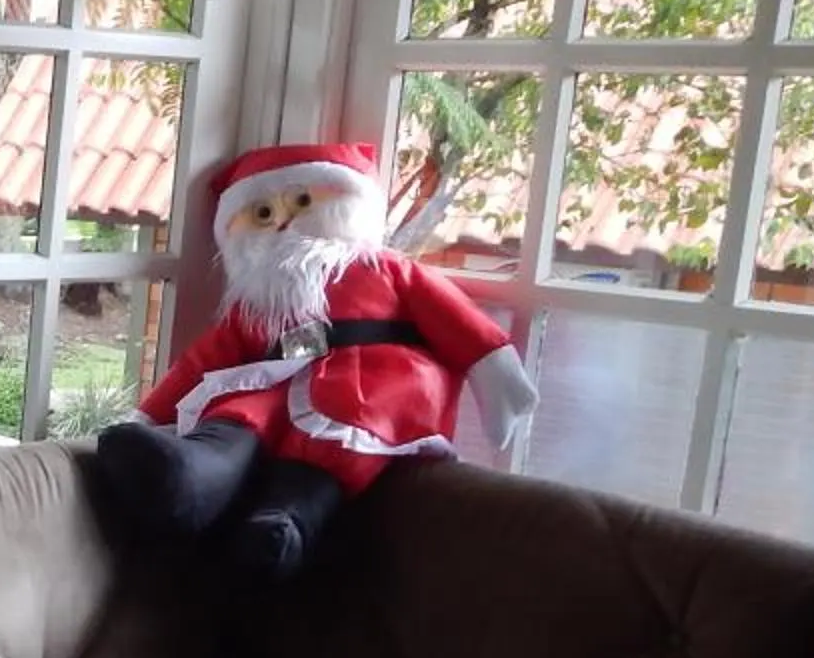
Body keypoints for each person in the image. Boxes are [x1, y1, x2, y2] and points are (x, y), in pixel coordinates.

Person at [94, 143, 536, 575]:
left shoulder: (388, 271)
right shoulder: (257, 303)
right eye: (263, 214)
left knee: (330, 448)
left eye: (303, 200)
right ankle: (185, 477)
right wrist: (145, 418)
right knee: (237, 417)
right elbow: (201, 362)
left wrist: (499, 378)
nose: (284, 221)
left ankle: (285, 525)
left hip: (374, 384)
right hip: (276, 380)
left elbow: (458, 323)